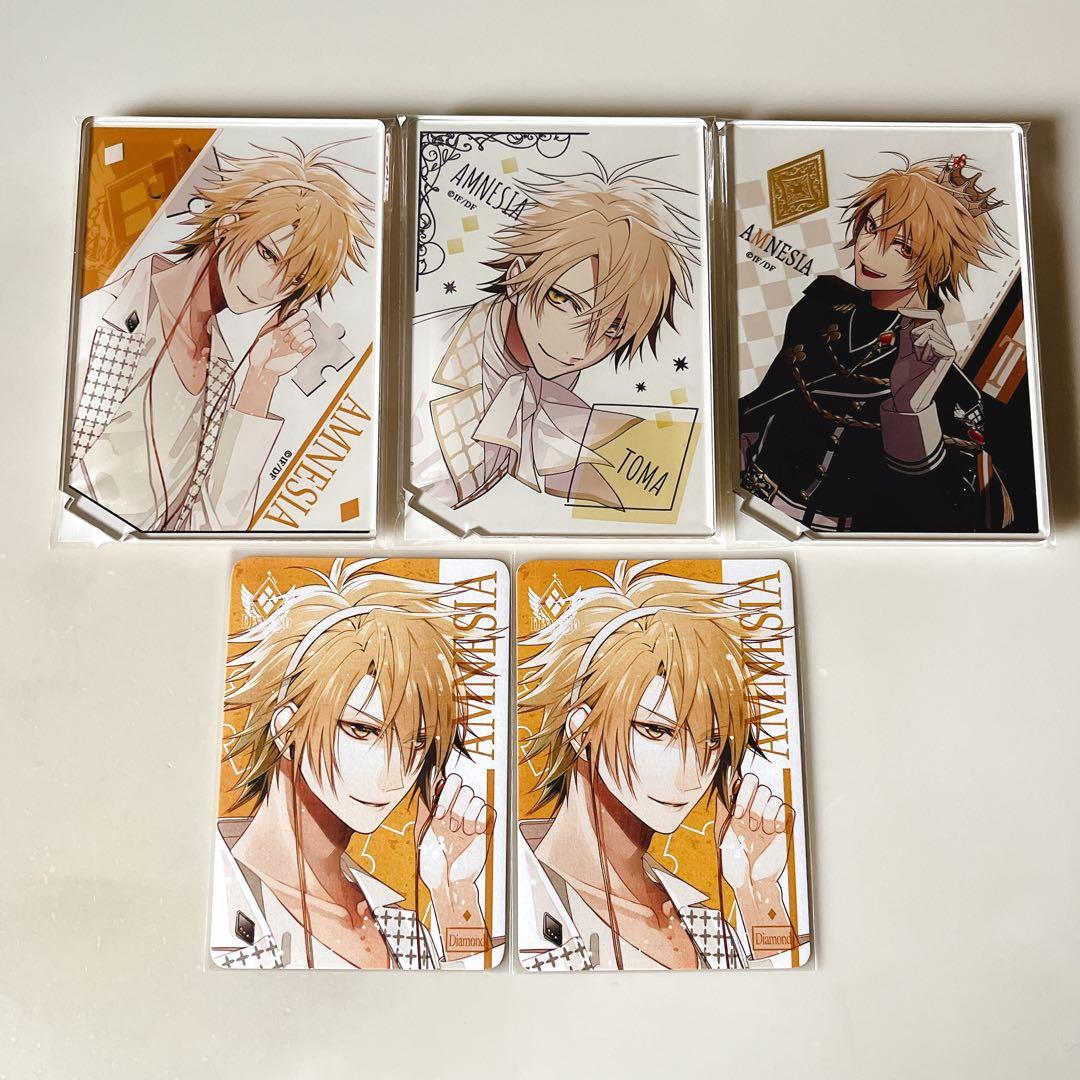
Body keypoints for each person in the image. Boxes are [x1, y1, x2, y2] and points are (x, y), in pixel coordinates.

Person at [69, 141, 374, 531]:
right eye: (269, 256)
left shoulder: (221, 370)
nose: (270, 288)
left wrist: (261, 378)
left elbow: (211, 528)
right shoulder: (106, 312)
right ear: (227, 225)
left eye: (294, 280)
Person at [517, 560, 804, 971]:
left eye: (711, 741)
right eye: (656, 730)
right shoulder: (512, 892)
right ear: (581, 730)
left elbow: (784, 1005)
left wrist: (759, 893)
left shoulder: (705, 923)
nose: (691, 776)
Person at [211, 559, 496, 970]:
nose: (394, 776)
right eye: (362, 730)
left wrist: (455, 893)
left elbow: (479, 1007)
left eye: (417, 742)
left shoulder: (399, 925)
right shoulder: (220, 893)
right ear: (287, 727)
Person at [739, 154, 1012, 532]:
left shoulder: (951, 388)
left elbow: (939, 515)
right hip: (744, 498)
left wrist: (911, 409)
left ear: (938, 263)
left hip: (831, 538)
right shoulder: (817, 308)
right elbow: (764, 403)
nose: (868, 251)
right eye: (870, 226)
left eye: (902, 246)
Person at [411, 156, 698, 512]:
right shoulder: (421, 354)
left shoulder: (553, 372)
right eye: (562, 300)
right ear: (517, 277)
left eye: (612, 329)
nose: (578, 348)